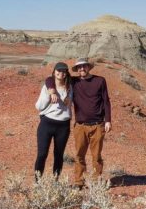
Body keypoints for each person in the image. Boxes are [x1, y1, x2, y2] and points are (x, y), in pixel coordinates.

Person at [46, 58, 111, 187]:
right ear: (77, 70)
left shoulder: (100, 81)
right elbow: (49, 79)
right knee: (79, 155)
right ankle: (78, 181)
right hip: (80, 125)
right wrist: (52, 91)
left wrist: (108, 120)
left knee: (96, 155)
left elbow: (106, 101)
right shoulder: (74, 82)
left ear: (89, 67)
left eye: (84, 66)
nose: (82, 69)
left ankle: (96, 181)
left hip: (98, 125)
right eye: (79, 67)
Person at [34, 62, 73, 177]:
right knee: (42, 154)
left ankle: (55, 182)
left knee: (59, 155)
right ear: (54, 72)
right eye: (59, 71)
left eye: (64, 71)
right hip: (47, 123)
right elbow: (38, 107)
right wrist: (50, 94)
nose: (61, 73)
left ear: (66, 73)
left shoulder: (70, 87)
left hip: (63, 126)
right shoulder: (48, 86)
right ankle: (38, 182)